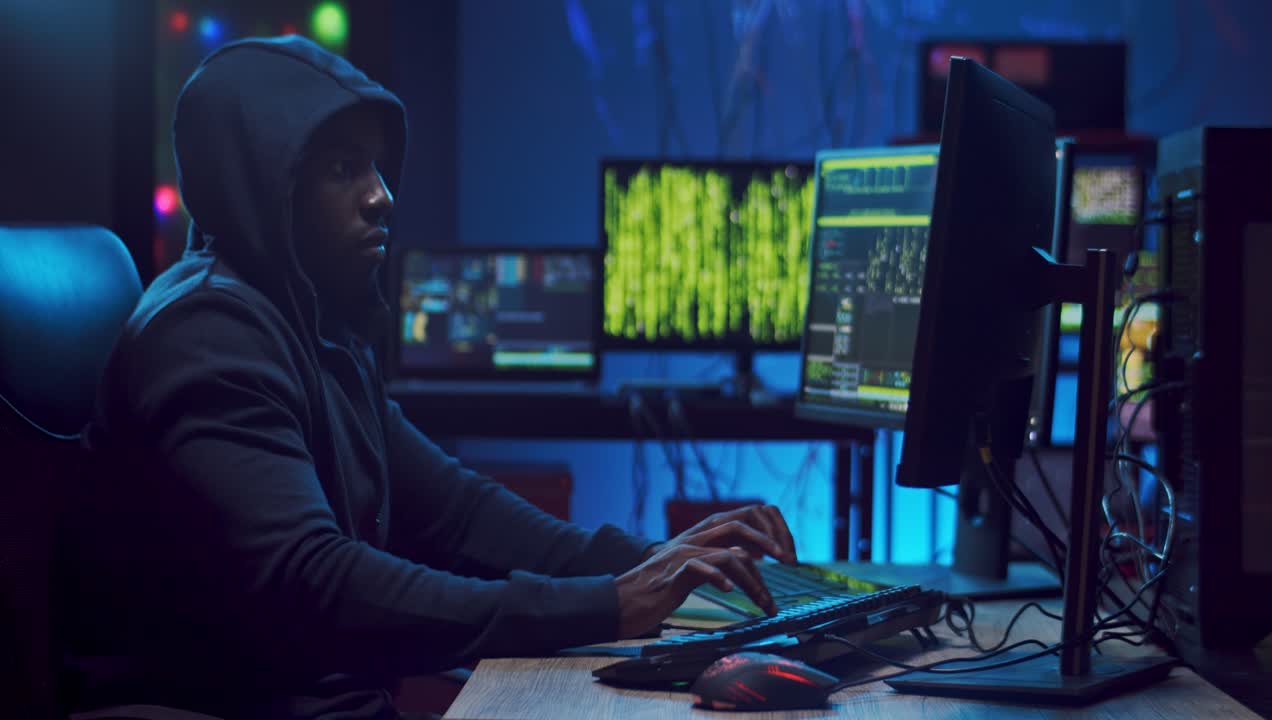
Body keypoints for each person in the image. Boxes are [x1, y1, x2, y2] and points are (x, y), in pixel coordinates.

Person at [61, 36, 797, 720]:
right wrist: (607, 604)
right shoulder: (208, 336)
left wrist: (659, 561)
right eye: (344, 168)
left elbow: (463, 515)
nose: (381, 195)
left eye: (377, 167)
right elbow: (318, 585)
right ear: (266, 186)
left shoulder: (314, 331)